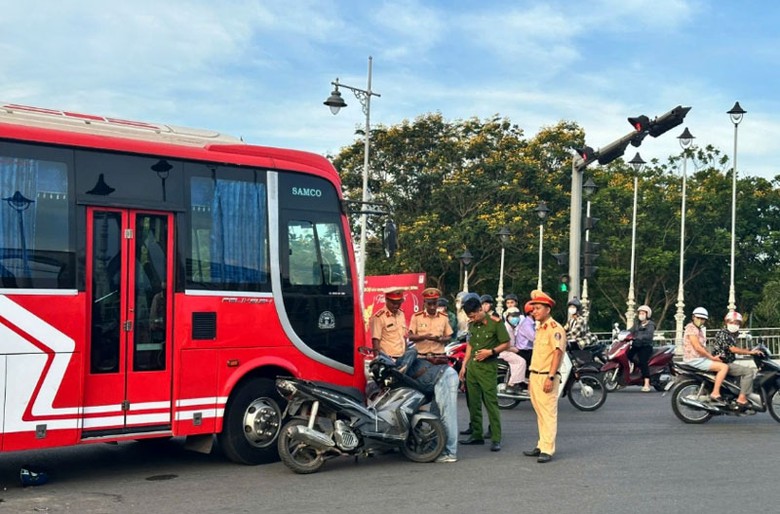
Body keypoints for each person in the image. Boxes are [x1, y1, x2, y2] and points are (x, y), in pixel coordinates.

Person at [458, 294, 509, 452]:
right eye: (469, 316)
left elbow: (506, 343)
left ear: (480, 310)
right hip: (472, 368)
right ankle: (476, 435)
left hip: (488, 368)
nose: (471, 318)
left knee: (490, 403)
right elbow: (470, 346)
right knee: (473, 403)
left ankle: (495, 437)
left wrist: (491, 352)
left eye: (472, 315)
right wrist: (464, 366)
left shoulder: (495, 323)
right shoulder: (473, 325)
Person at [523, 289, 566, 464]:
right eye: (533, 309)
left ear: (548, 309)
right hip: (535, 375)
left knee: (548, 413)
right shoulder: (541, 327)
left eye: (538, 308)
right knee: (540, 413)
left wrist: (550, 376)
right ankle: (541, 444)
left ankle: (548, 448)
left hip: (546, 376)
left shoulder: (555, 328)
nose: (534, 311)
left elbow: (557, 353)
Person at [396, 347, 460, 463]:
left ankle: (450, 453)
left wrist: (403, 367)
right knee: (436, 416)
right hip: (437, 382)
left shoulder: (401, 362)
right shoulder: (398, 381)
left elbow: (413, 350)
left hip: (444, 377)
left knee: (447, 417)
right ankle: (437, 449)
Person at [711, 311, 764, 410]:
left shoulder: (732, 334)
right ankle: (742, 398)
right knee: (748, 372)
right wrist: (750, 352)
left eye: (737, 323)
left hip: (727, 361)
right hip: (723, 362)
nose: (734, 325)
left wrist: (750, 349)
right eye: (731, 322)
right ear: (726, 322)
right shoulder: (724, 333)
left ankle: (735, 393)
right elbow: (732, 349)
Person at [682, 307, 729, 404]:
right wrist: (711, 357)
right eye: (698, 318)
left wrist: (712, 357)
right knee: (724, 367)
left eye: (702, 319)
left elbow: (702, 347)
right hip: (694, 359)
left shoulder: (698, 329)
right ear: (693, 317)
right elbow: (697, 347)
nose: (700, 320)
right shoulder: (691, 328)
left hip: (699, 358)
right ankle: (715, 393)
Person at [499, 303, 535, 393]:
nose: (515, 318)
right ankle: (512, 384)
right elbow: (503, 344)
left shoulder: (513, 327)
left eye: (517, 316)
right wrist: (514, 349)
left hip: (511, 350)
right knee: (520, 361)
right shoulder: (505, 328)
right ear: (507, 317)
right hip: (505, 352)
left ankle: (523, 381)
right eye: (512, 316)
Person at [408, 287, 453, 360]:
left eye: (434, 304)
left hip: (438, 357)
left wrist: (440, 339)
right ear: (424, 303)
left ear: (437, 303)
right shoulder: (416, 317)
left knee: (452, 372)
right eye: (429, 304)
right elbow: (410, 337)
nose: (432, 307)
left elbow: (449, 336)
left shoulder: (444, 317)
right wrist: (424, 337)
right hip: (421, 357)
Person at [370, 289, 408, 358]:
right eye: (393, 303)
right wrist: (377, 360)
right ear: (386, 300)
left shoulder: (401, 314)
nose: (396, 306)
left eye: (399, 303)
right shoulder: (379, 317)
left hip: (402, 357)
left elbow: (403, 337)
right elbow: (375, 341)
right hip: (388, 359)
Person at [628, 305, 656, 392]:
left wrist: (639, 337)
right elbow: (630, 331)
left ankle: (647, 383)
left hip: (645, 346)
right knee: (628, 355)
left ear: (647, 315)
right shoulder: (637, 324)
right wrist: (622, 334)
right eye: (640, 313)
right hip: (636, 345)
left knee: (643, 362)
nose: (641, 315)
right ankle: (636, 370)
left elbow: (649, 335)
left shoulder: (651, 324)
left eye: (643, 313)